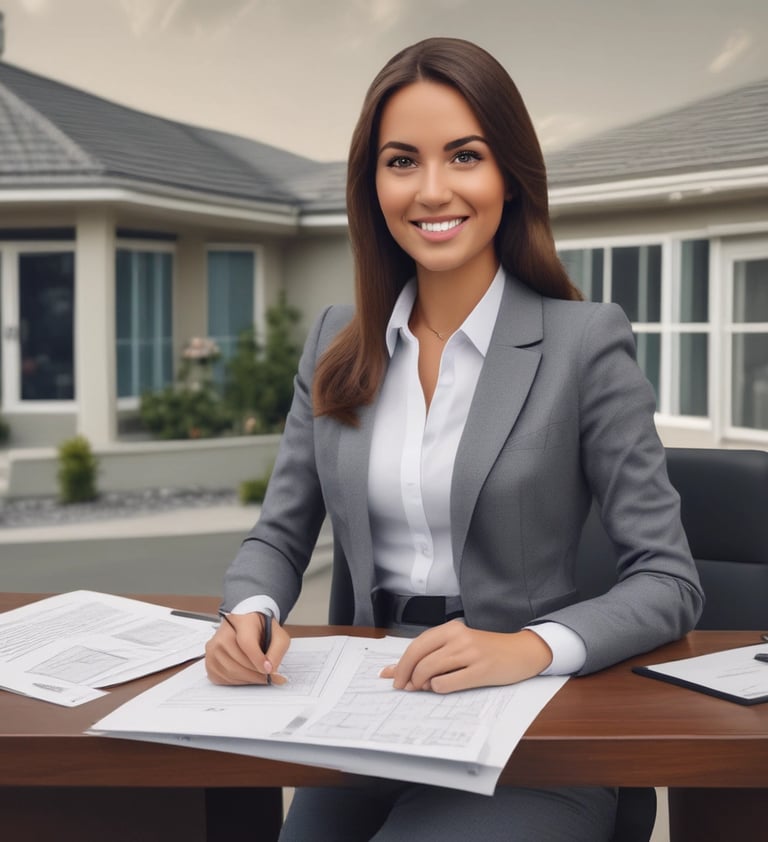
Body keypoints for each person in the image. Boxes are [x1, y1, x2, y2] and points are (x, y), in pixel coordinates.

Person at [204, 36, 704, 841]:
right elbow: (279, 535)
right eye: (402, 161)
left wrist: (530, 648)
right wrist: (250, 611)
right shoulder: (338, 341)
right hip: (365, 710)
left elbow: (669, 581)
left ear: (510, 175)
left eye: (464, 156)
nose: (432, 191)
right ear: (372, 185)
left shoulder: (585, 342)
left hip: (527, 725)